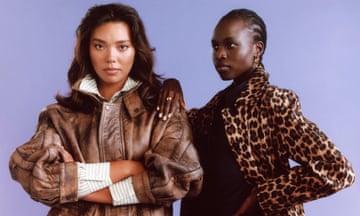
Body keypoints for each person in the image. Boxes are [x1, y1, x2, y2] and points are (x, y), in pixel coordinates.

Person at [9, 3, 203, 216]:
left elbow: (180, 179)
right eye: (100, 46)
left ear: (136, 50)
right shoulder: (59, 117)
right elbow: (32, 174)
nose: (111, 57)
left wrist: (77, 186)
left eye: (122, 47)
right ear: (87, 50)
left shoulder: (163, 112)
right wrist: (127, 168)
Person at [157, 8, 355, 216]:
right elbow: (174, 129)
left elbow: (338, 169)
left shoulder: (272, 102)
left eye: (230, 45)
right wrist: (170, 84)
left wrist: (262, 197)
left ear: (257, 49)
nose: (220, 54)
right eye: (215, 47)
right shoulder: (214, 108)